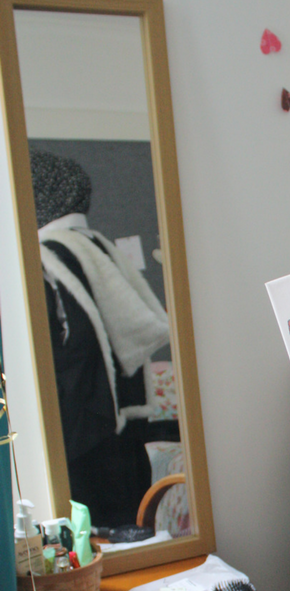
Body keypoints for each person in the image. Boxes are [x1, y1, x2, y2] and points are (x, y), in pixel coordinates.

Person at [32, 148, 171, 527]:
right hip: (124, 439)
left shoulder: (45, 260)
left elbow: (60, 357)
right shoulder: (97, 246)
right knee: (132, 532)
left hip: (83, 442)